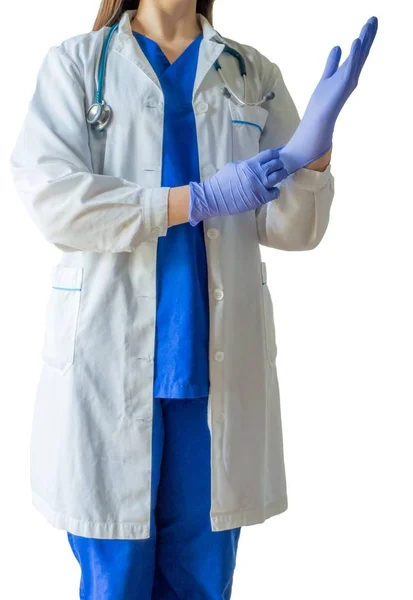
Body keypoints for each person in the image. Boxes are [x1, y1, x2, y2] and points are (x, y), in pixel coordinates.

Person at [9, 0, 378, 598]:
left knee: (202, 584)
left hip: (211, 370)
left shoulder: (250, 74)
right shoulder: (79, 64)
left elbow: (294, 229)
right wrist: (194, 201)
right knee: (116, 584)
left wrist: (317, 151)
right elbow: (55, 201)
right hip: (108, 367)